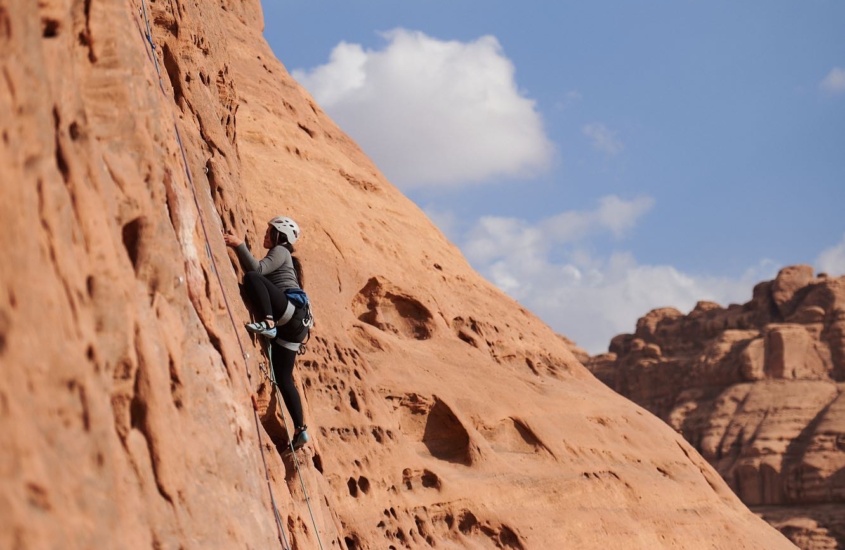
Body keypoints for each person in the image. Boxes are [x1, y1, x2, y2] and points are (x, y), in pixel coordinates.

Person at [224, 216, 311, 451]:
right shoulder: (284, 257)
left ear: (280, 236)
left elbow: (257, 269)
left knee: (252, 277)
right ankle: (301, 429)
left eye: (269, 231)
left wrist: (238, 244)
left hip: (288, 315)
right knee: (283, 378)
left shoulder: (281, 251)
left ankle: (269, 322)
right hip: (296, 327)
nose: (265, 235)